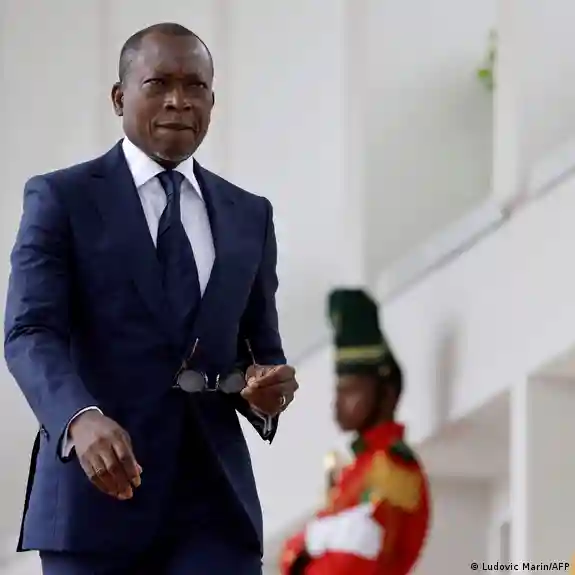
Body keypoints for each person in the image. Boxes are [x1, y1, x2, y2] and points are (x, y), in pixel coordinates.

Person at [4, 22, 298, 575]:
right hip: (96, 499)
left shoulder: (250, 216)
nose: (178, 101)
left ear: (212, 100)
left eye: (195, 87)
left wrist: (264, 390)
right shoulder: (62, 198)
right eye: (158, 83)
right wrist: (79, 418)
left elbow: (260, 353)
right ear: (120, 98)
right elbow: (29, 332)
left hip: (215, 513)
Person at [279, 288, 430, 575]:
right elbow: (289, 554)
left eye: (351, 391)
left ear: (386, 393)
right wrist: (313, 542)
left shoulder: (393, 468)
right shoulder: (357, 468)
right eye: (338, 391)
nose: (338, 404)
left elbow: (358, 558)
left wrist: (312, 542)